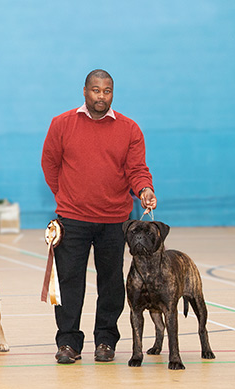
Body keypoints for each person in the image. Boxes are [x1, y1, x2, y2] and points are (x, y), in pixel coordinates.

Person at [41, 69, 156, 364]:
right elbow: (50, 165)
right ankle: (68, 344)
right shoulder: (61, 124)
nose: (101, 96)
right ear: (84, 91)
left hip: (115, 220)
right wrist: (66, 196)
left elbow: (136, 169)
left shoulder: (129, 129)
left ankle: (106, 341)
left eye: (107, 91)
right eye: (96, 90)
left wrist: (144, 189)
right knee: (69, 283)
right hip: (73, 219)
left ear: (112, 94)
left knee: (111, 283)